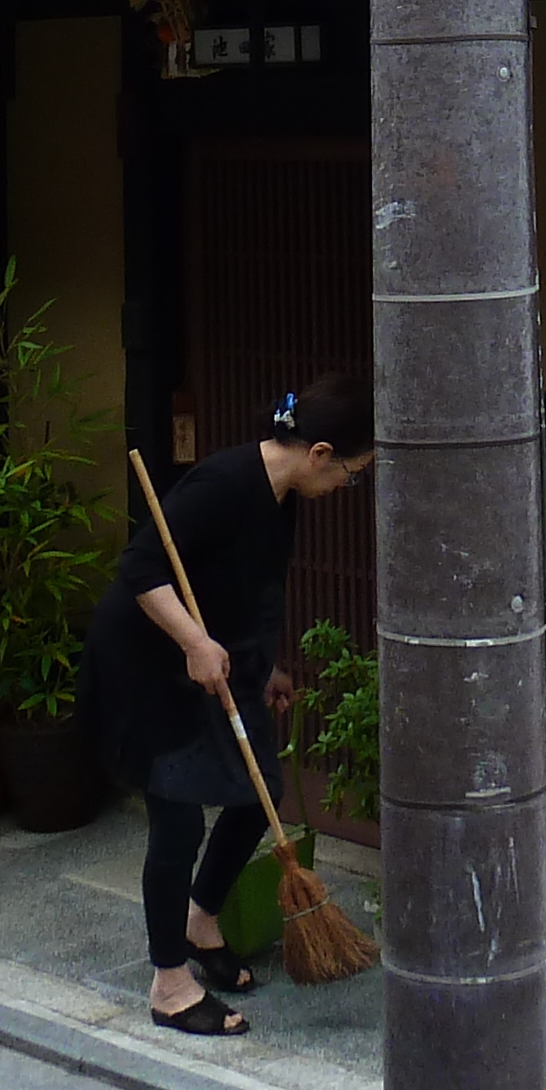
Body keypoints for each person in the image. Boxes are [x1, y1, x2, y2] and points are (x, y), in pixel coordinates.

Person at [85, 370, 374, 1035]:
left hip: (219, 660)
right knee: (180, 822)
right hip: (150, 663)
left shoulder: (284, 496)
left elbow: (251, 586)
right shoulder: (223, 484)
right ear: (320, 453)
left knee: (255, 792)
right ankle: (169, 985)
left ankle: (201, 919)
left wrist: (263, 665)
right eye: (350, 474)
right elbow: (141, 569)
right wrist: (192, 641)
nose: (346, 488)